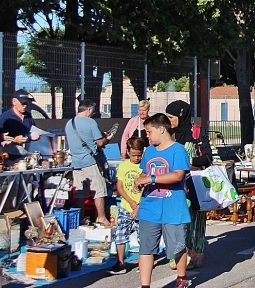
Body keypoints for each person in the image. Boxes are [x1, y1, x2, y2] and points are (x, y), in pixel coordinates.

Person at [134, 113, 191, 288]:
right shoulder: (149, 151)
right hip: (149, 207)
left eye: (149, 132)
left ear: (161, 129)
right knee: (146, 248)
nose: (147, 136)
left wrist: (150, 179)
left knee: (177, 247)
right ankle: (145, 285)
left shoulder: (178, 150)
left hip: (173, 207)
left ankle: (181, 278)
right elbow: (145, 172)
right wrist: (140, 180)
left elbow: (177, 175)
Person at [166, 100, 213, 270]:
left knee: (196, 221)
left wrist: (189, 161)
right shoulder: (167, 134)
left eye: (172, 117)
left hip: (195, 185)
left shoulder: (197, 133)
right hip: (173, 185)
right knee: (176, 221)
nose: (169, 120)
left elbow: (208, 157)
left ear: (181, 115)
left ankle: (195, 253)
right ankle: (178, 254)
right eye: (167, 117)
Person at [65, 99, 114, 226]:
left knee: (80, 192)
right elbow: (100, 143)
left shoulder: (69, 123)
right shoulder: (91, 122)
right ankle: (102, 218)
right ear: (89, 110)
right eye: (92, 111)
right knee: (99, 190)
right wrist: (107, 139)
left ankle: (80, 219)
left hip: (76, 163)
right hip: (90, 161)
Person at [109, 136, 146, 275]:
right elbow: (120, 187)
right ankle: (120, 261)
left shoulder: (145, 166)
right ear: (128, 152)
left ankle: (144, 262)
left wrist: (138, 205)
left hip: (141, 206)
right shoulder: (123, 166)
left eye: (139, 155)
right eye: (134, 155)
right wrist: (131, 202)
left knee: (143, 236)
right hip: (126, 205)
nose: (137, 158)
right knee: (120, 233)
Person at [0, 89, 41, 161]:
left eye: (27, 103)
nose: (25, 106)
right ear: (14, 101)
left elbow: (33, 130)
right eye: (23, 103)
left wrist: (37, 136)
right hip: (11, 157)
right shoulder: (5, 118)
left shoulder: (28, 116)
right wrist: (14, 140)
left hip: (28, 155)